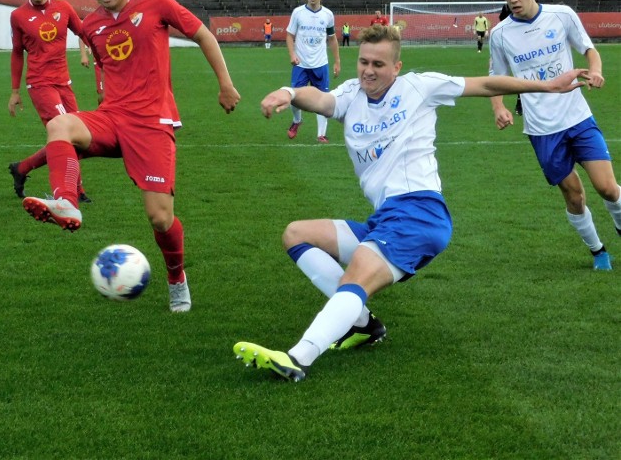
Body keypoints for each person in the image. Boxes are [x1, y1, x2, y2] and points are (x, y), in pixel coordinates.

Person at [233, 24, 590, 382]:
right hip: (386, 219)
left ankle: (298, 358)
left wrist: (547, 85)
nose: (368, 71)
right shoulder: (352, 94)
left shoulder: (418, 86)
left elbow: (484, 84)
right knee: (296, 234)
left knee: (357, 274)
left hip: (419, 213)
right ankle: (362, 324)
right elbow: (321, 99)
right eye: (363, 62)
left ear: (397, 67)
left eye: (378, 64)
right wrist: (289, 92)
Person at [21, 0, 240, 313]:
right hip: (112, 116)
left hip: (152, 122)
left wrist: (225, 83)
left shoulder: (156, 3)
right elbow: (107, 67)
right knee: (59, 124)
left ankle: (176, 279)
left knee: (160, 217)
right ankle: (67, 203)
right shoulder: (91, 25)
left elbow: (202, 34)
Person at [489, 0, 620, 271]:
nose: (513, 0)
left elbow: (589, 50)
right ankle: (597, 250)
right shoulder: (500, 35)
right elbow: (495, 78)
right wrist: (499, 107)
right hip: (542, 130)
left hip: (577, 118)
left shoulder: (562, 15)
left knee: (607, 188)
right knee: (574, 196)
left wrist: (597, 71)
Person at [7, 0, 91, 201]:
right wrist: (15, 91)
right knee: (66, 135)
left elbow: (83, 32)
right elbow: (16, 53)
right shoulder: (18, 16)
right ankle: (77, 191)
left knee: (81, 139)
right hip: (40, 84)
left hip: (64, 82)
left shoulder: (64, 7)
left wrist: (102, 54)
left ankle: (22, 168)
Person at [285, 0, 340, 144]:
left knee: (323, 99)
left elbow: (332, 38)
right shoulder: (298, 13)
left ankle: (321, 134)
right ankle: (296, 121)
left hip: (321, 64)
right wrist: (292, 54)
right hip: (301, 64)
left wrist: (337, 61)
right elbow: (289, 35)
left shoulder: (328, 15)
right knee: (294, 98)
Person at [499, 3, 522, 116]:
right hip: (510, 42)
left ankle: (520, 104)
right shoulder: (506, 8)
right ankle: (517, 105)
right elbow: (501, 19)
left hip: (521, 43)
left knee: (523, 76)